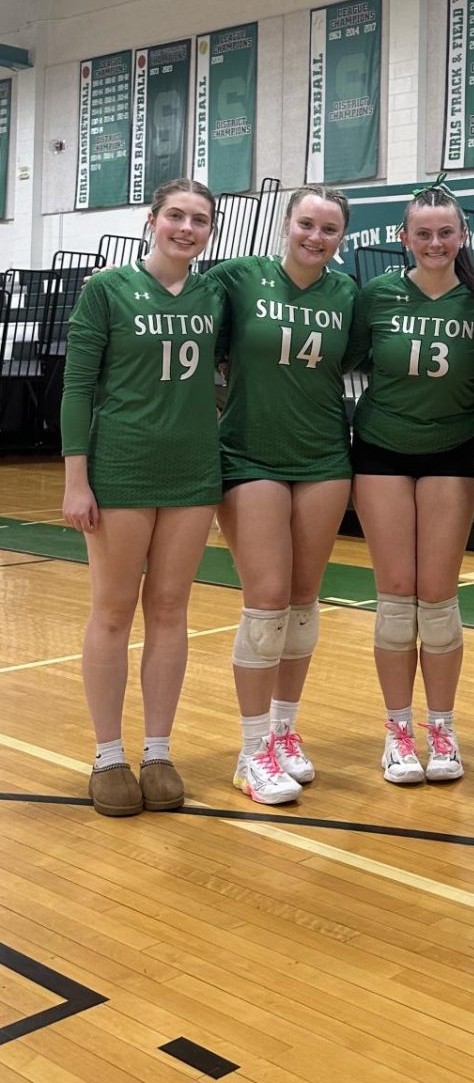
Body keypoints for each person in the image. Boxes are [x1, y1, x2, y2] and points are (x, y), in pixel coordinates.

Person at [61, 178, 222, 817]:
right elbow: (77, 387)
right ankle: (107, 756)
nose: (187, 228)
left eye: (200, 220)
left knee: (170, 608)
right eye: (176, 216)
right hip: (122, 468)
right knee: (111, 611)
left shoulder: (215, 294)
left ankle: (158, 752)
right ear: (152, 220)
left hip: (193, 472)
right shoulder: (106, 289)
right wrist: (77, 478)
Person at [346, 182, 474, 784]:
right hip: (381, 450)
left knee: (437, 596)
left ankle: (441, 726)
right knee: (395, 594)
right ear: (404, 238)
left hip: (451, 449)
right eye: (423, 233)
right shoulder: (377, 296)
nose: (435, 242)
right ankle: (396, 729)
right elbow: (350, 360)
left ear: (462, 236)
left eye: (446, 232)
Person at [206, 186, 357, 805]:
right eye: (306, 224)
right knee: (265, 597)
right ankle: (250, 751)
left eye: (328, 229)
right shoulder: (239, 278)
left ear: (341, 238)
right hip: (248, 455)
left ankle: (283, 731)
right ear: (285, 223)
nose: (315, 237)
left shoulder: (348, 294)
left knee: (302, 596)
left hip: (324, 456)